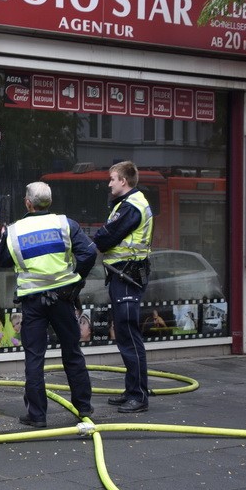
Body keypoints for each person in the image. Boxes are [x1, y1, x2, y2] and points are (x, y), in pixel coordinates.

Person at [0, 181, 96, 429]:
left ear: (28, 202)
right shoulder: (65, 224)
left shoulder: (15, 231)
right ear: (49, 202)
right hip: (62, 298)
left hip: (33, 302)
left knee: (34, 357)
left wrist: (4, 236)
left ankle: (37, 415)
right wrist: (75, 280)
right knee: (72, 352)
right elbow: (89, 253)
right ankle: (83, 407)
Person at [93, 160, 154, 414]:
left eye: (112, 179)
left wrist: (96, 241)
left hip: (127, 277)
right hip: (124, 276)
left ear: (124, 181)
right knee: (126, 335)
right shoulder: (129, 203)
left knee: (129, 336)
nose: (109, 183)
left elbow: (106, 237)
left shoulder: (130, 207)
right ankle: (132, 390)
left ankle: (138, 396)